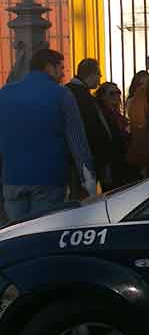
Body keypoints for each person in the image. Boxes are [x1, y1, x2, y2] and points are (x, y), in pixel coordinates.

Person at [0, 48, 96, 221]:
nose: (63, 74)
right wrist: (87, 176)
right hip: (48, 177)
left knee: (15, 233)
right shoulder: (61, 94)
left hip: (13, 177)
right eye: (61, 68)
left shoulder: (5, 93)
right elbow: (76, 139)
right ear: (49, 68)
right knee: (42, 232)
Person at [67, 58, 112, 189]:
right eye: (99, 75)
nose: (100, 79)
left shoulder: (73, 92)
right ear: (91, 75)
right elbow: (92, 128)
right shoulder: (82, 96)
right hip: (86, 158)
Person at [96, 82, 139, 189]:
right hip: (113, 163)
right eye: (112, 93)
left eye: (118, 92)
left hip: (124, 162)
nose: (116, 95)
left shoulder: (117, 115)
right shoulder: (103, 116)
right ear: (102, 96)